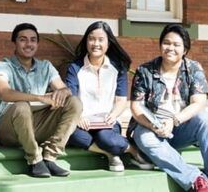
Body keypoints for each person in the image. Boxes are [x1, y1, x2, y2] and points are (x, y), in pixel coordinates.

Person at [129, 24, 208, 192]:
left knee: (207, 120)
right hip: (154, 128)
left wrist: (174, 120)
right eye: (166, 43)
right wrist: (153, 125)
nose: (170, 48)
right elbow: (136, 106)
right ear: (160, 45)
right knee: (143, 136)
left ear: (185, 50)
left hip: (180, 125)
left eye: (176, 44)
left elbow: (198, 102)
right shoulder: (145, 70)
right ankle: (197, 180)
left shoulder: (193, 68)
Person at [0, 23, 82, 178]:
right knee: (21, 106)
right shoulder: (3, 65)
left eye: (33, 40)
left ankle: (50, 157)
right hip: (9, 129)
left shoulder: (45, 66)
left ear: (37, 44)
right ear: (15, 42)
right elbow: (5, 93)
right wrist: (40, 97)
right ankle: (34, 160)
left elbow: (63, 88)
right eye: (23, 39)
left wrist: (63, 91)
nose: (29, 44)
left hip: (36, 126)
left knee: (74, 102)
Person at [64, 21, 152, 172]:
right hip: (83, 121)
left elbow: (121, 100)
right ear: (86, 41)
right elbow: (71, 96)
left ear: (108, 43)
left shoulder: (118, 68)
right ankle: (111, 154)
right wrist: (78, 116)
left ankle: (131, 150)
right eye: (91, 39)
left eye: (100, 39)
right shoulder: (75, 67)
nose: (95, 43)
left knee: (107, 139)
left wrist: (113, 115)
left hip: (107, 121)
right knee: (71, 134)